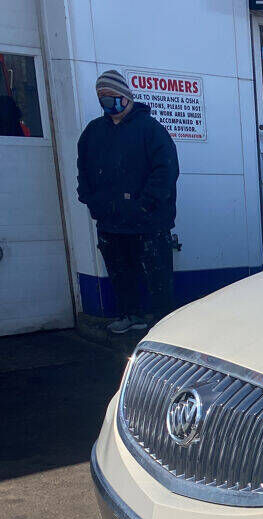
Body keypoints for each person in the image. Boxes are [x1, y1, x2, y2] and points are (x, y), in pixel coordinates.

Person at [76, 69, 179, 335]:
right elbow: (83, 170)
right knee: (121, 274)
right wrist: (92, 201)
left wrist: (144, 205)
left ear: (126, 95)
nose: (107, 101)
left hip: (148, 223)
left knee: (157, 277)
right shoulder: (93, 132)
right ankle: (129, 315)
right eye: (102, 96)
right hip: (110, 222)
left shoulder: (151, 130)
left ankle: (163, 325)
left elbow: (166, 170)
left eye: (111, 95)